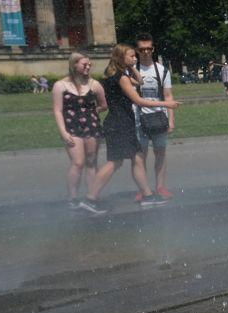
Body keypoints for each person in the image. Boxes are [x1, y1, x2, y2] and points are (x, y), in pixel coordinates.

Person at [76, 44, 179, 214]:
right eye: (131, 56)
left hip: (121, 123)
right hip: (120, 124)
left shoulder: (116, 74)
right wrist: (166, 104)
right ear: (120, 58)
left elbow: (140, 81)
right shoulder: (121, 78)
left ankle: (147, 196)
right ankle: (90, 199)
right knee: (114, 163)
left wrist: (131, 67)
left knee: (137, 158)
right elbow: (139, 101)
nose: (135, 58)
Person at [51, 53, 105, 207]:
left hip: (91, 126)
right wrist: (63, 132)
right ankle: (72, 198)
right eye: (84, 64)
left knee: (91, 161)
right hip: (71, 127)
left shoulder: (94, 84)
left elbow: (103, 104)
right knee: (78, 162)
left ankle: (91, 197)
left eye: (89, 64)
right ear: (74, 65)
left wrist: (91, 112)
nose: (88, 67)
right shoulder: (60, 85)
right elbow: (57, 111)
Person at [132, 33, 175, 201]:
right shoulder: (131, 70)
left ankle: (160, 187)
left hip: (159, 116)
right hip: (137, 117)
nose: (145, 52)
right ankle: (143, 188)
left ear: (153, 49)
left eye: (148, 48)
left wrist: (171, 120)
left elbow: (168, 96)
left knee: (160, 153)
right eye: (142, 49)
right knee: (140, 155)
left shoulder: (162, 70)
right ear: (137, 50)